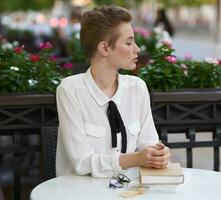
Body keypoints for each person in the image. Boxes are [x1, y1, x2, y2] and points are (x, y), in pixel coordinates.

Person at [56, 5, 171, 178]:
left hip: (129, 192)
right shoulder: (71, 90)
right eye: (129, 42)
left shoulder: (137, 88)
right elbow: (81, 163)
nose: (137, 49)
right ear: (105, 48)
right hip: (80, 193)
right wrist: (135, 159)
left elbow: (149, 145)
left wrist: (158, 155)